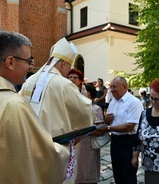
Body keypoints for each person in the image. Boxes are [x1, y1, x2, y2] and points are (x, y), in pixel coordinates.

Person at [0, 30, 73, 183]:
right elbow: (42, 158)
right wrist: (68, 147)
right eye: (28, 61)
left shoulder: (27, 83)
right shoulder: (13, 105)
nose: (30, 67)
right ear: (10, 62)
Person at [19, 37, 93, 184]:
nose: (68, 72)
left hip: (30, 144)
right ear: (64, 63)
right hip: (56, 146)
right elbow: (84, 112)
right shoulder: (64, 84)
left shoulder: (30, 80)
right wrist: (85, 99)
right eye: (68, 67)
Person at [102, 76, 143, 184]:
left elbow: (130, 126)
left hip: (128, 142)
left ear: (124, 87)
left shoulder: (134, 102)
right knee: (117, 173)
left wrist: (108, 128)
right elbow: (108, 120)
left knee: (128, 174)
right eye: (110, 86)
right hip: (115, 142)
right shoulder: (113, 102)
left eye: (114, 87)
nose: (111, 89)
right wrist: (105, 120)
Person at [67, 69, 103, 184]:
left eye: (74, 77)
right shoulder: (66, 91)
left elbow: (99, 127)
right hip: (72, 138)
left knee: (86, 167)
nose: (71, 80)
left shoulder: (93, 106)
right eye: (70, 77)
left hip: (86, 141)